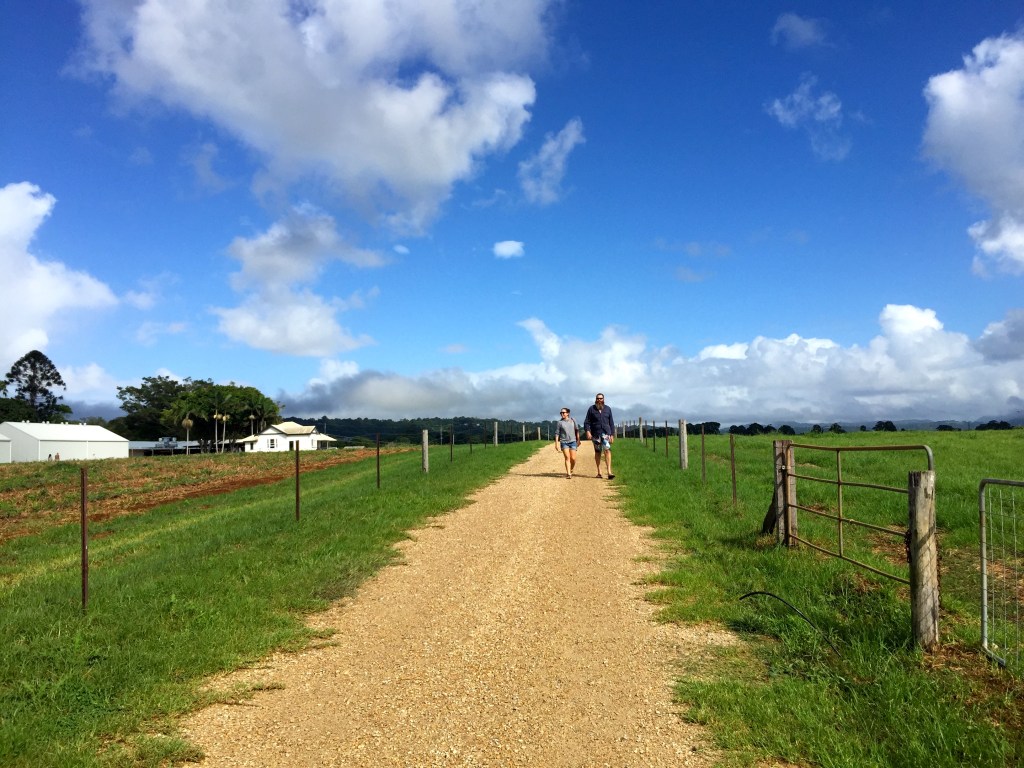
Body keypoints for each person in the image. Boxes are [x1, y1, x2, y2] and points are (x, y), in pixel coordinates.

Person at [583, 392, 615, 479]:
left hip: (606, 434)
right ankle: (599, 472)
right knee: (598, 452)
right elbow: (586, 422)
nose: (599, 400)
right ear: (595, 399)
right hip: (596, 434)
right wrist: (588, 431)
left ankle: (609, 472)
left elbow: (611, 423)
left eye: (601, 398)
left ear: (603, 399)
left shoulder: (608, 409)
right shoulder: (591, 409)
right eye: (598, 398)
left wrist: (612, 434)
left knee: (607, 450)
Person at [553, 407, 580, 479]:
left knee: (573, 458)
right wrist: (556, 444)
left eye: (563, 412)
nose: (562, 414)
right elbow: (557, 433)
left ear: (568, 413)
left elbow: (577, 430)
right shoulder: (559, 422)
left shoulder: (573, 420)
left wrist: (578, 440)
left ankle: (571, 469)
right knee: (567, 457)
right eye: (561, 413)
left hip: (573, 441)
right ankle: (568, 474)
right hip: (564, 442)